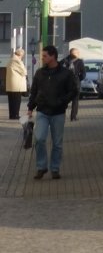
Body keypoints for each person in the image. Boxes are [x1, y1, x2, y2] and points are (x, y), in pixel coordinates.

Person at [27, 44, 77, 180]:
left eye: (45, 56)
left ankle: (55, 168)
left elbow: (73, 90)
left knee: (57, 143)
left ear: (53, 56)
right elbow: (34, 91)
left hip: (58, 112)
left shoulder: (65, 73)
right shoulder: (40, 73)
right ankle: (41, 166)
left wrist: (62, 101)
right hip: (42, 111)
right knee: (39, 139)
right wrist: (30, 107)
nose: (42, 58)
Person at [62, 47, 86, 121]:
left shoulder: (64, 60)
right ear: (74, 53)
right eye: (77, 53)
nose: (78, 54)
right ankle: (73, 117)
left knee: (63, 101)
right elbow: (83, 74)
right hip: (75, 83)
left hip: (65, 83)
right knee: (75, 101)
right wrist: (78, 79)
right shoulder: (79, 61)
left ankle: (62, 116)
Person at [5, 48, 28, 120]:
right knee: (17, 101)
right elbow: (24, 72)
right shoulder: (17, 61)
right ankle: (15, 115)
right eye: (23, 55)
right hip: (16, 85)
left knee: (11, 101)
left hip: (11, 85)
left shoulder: (11, 60)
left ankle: (12, 115)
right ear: (21, 54)